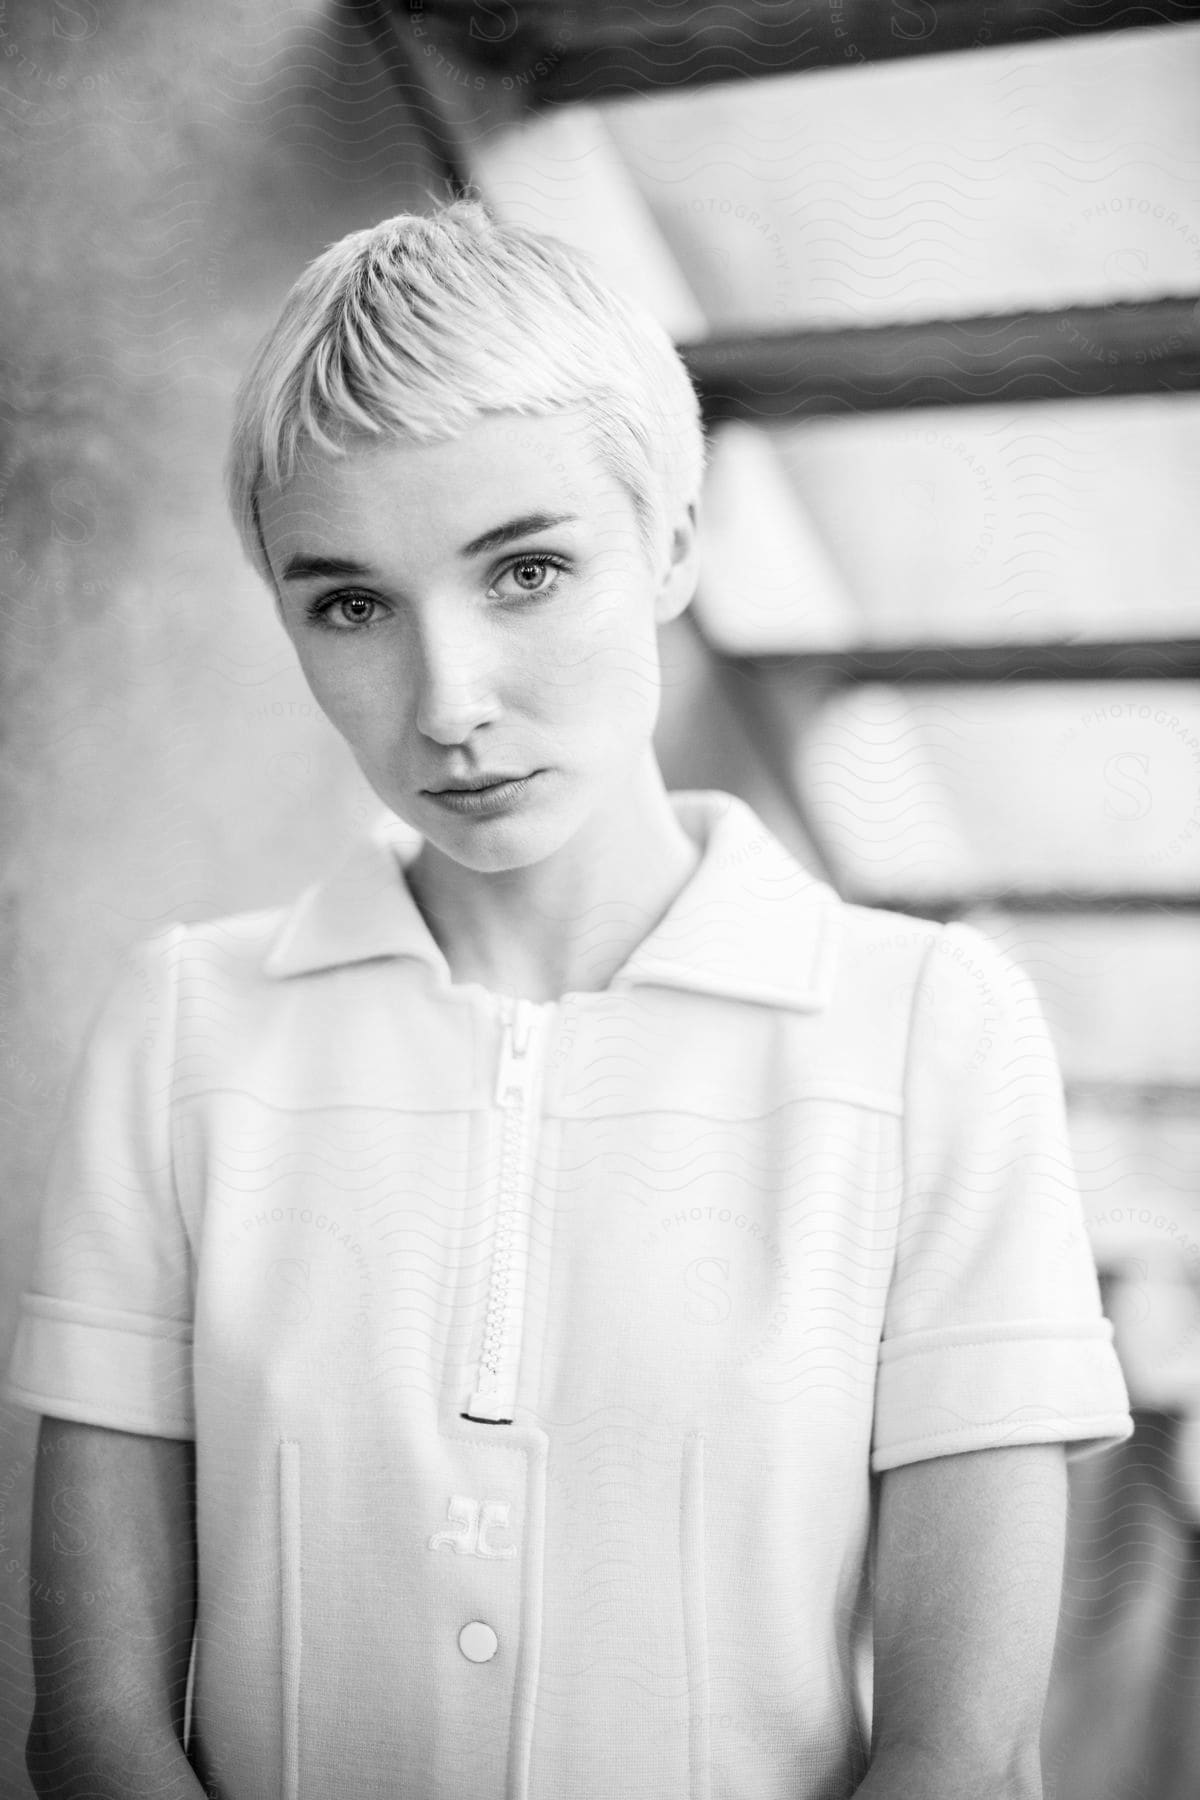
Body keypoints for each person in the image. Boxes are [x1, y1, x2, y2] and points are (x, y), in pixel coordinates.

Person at [6, 198, 1134, 1800]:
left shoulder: (931, 1032)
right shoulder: (186, 1029)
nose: (449, 703)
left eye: (525, 570)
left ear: (674, 540)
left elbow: (966, 1756)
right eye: (349, 604)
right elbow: (94, 1731)